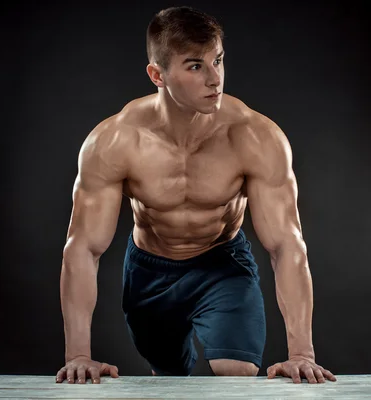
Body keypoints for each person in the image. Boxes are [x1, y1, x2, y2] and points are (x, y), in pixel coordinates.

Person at [55, 6, 337, 385]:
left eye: (217, 60)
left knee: (235, 374)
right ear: (157, 75)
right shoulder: (115, 141)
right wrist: (78, 356)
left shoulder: (255, 136)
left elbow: (287, 244)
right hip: (149, 273)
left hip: (222, 264)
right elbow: (82, 247)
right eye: (194, 66)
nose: (214, 78)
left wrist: (302, 353)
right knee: (168, 379)